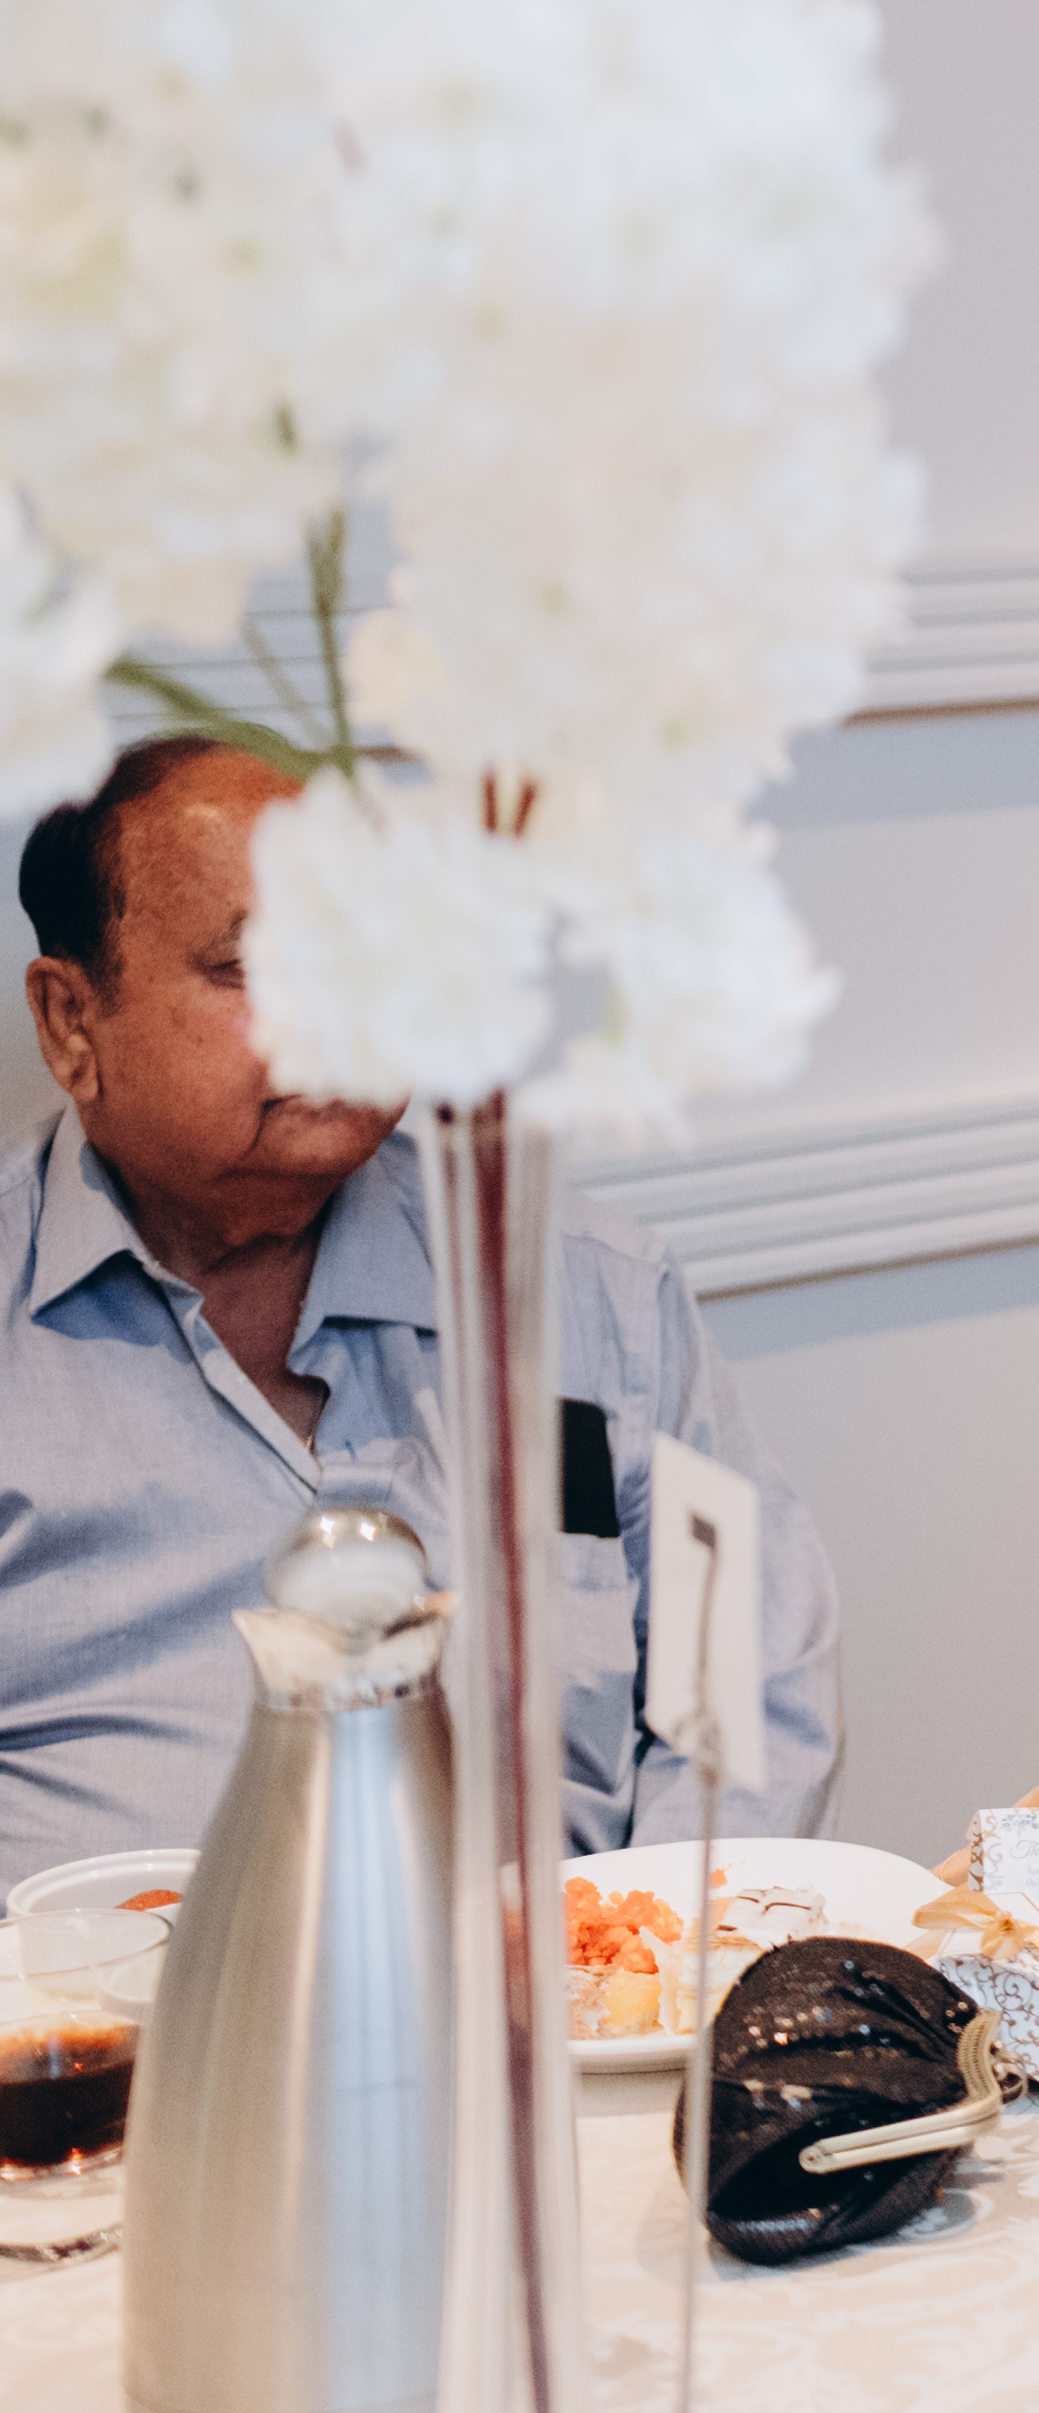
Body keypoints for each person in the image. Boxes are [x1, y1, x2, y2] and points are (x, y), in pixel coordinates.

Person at [1, 735, 842, 1885]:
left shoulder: (594, 1298)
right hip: (114, 2001)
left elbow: (746, 1699)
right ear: (70, 1022)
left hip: (565, 1990)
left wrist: (635, 1964)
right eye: (252, 967)